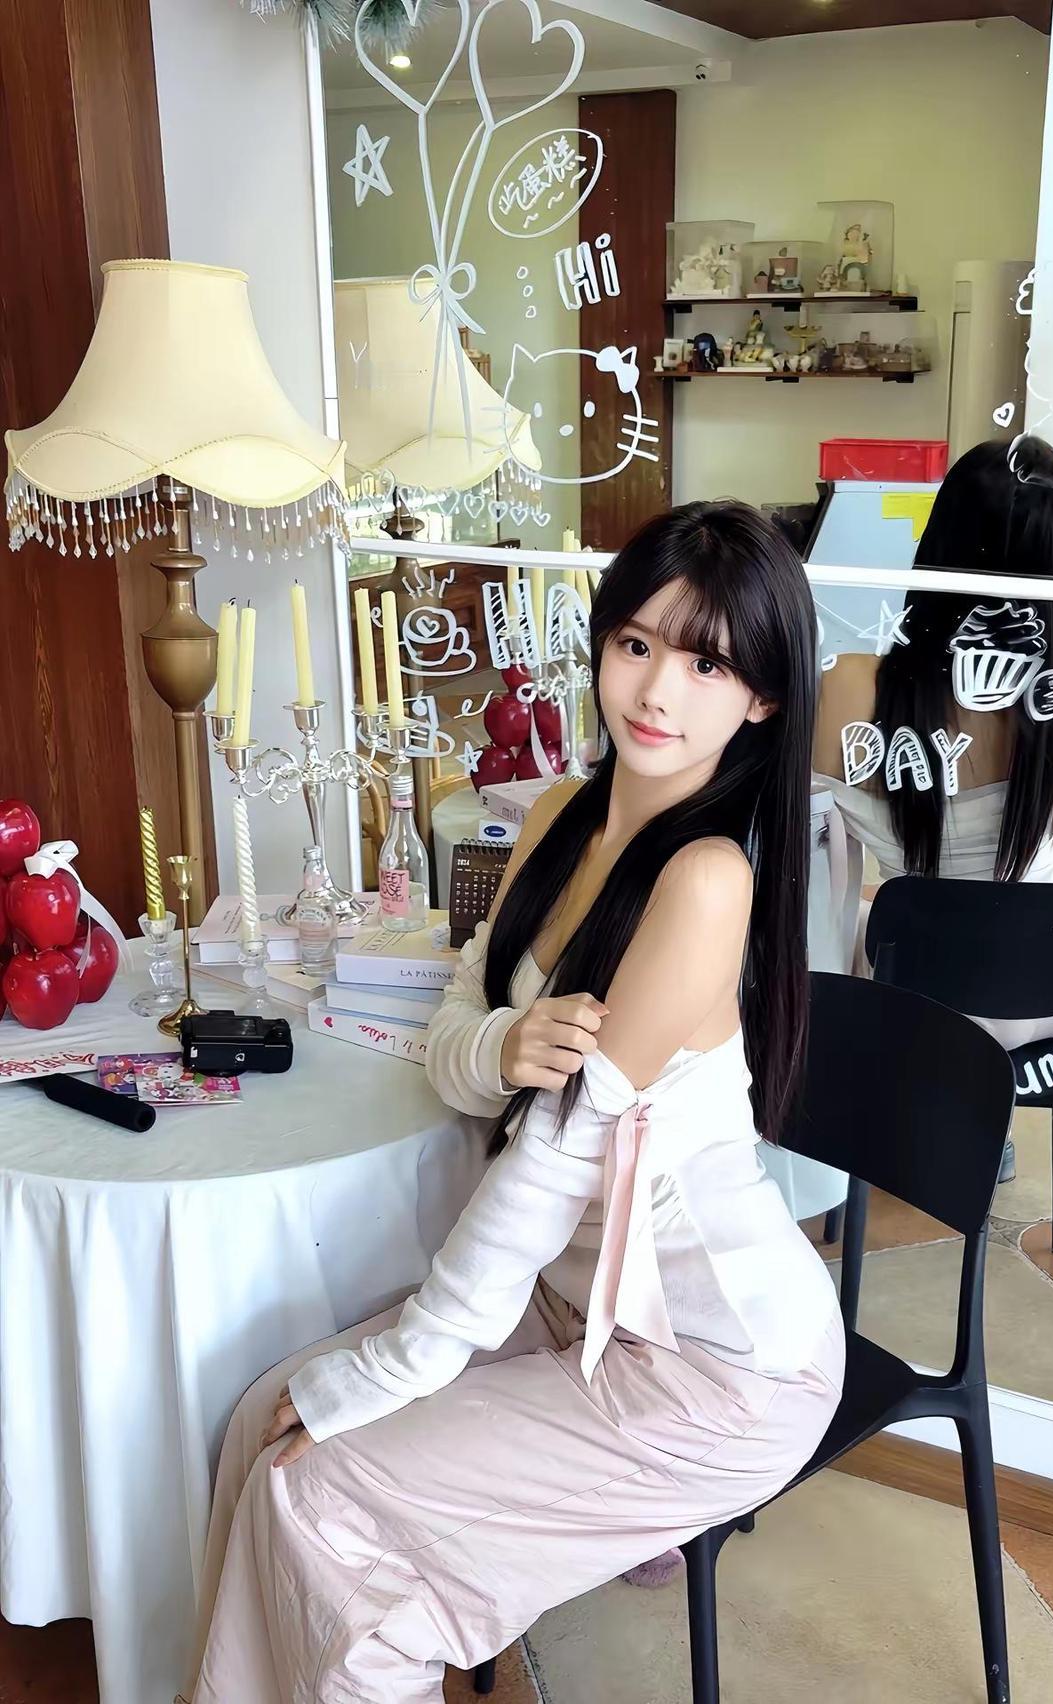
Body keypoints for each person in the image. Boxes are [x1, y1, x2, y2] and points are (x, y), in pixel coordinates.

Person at [184, 501, 844, 1704]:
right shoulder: (553, 814)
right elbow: (452, 1034)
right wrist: (503, 1041)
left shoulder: (704, 880)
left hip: (719, 1364)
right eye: (635, 644)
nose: (656, 691)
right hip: (571, 1306)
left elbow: (549, 1163)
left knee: (321, 1495)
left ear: (760, 698)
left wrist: (388, 1375)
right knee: (260, 1425)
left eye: (706, 665)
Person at [812, 437, 1053, 1180]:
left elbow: (819, 837)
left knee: (864, 919)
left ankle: (922, 1105)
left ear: (936, 546)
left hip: (922, 988)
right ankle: (977, 1118)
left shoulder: (846, 687)